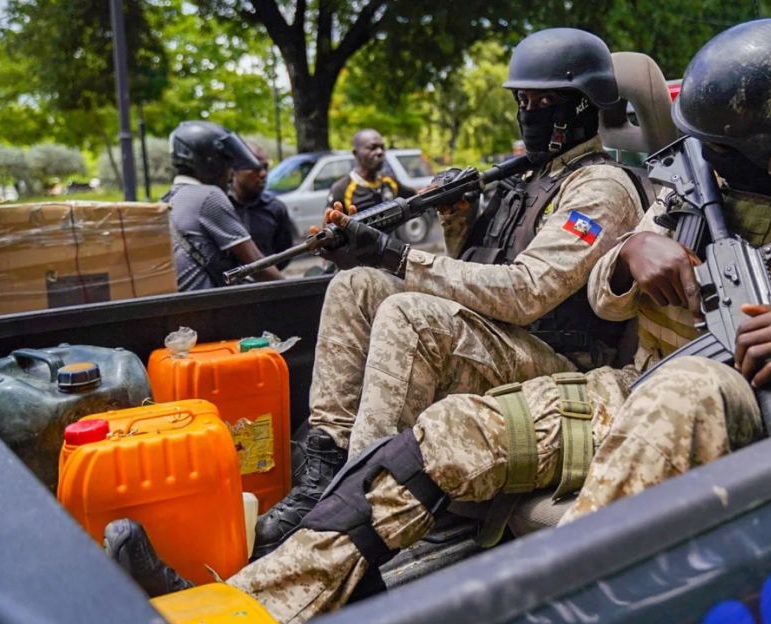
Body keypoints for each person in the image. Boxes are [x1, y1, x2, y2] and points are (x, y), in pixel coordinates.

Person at [107, 20, 771, 621]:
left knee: (694, 385)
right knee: (442, 440)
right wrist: (635, 256)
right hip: (635, 387)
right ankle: (245, 606)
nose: (704, 167)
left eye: (725, 153)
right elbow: (615, 292)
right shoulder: (695, 180)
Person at [248, 26, 646, 557]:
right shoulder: (532, 176)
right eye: (522, 99)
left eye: (543, 100)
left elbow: (526, 294)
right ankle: (324, 470)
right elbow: (479, 281)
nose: (528, 110)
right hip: (509, 343)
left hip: (563, 369)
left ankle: (352, 513)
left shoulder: (599, 188)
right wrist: (455, 226)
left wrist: (397, 254)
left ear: (581, 106)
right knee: (357, 285)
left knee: (410, 313)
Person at [165, 121, 283, 290]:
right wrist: (298, 290)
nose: (231, 174)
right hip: (210, 311)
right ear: (211, 162)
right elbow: (257, 266)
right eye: (228, 164)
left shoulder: (169, 199)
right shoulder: (209, 196)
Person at [229, 142, 295, 269]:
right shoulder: (219, 207)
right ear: (235, 170)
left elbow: (284, 254)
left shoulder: (276, 209)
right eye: (255, 168)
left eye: (265, 167)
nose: (263, 174)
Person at [325, 129, 415, 212]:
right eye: (372, 148)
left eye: (382, 147)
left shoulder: (389, 181)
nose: (380, 152)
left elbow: (415, 197)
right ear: (355, 153)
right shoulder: (341, 189)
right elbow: (329, 224)